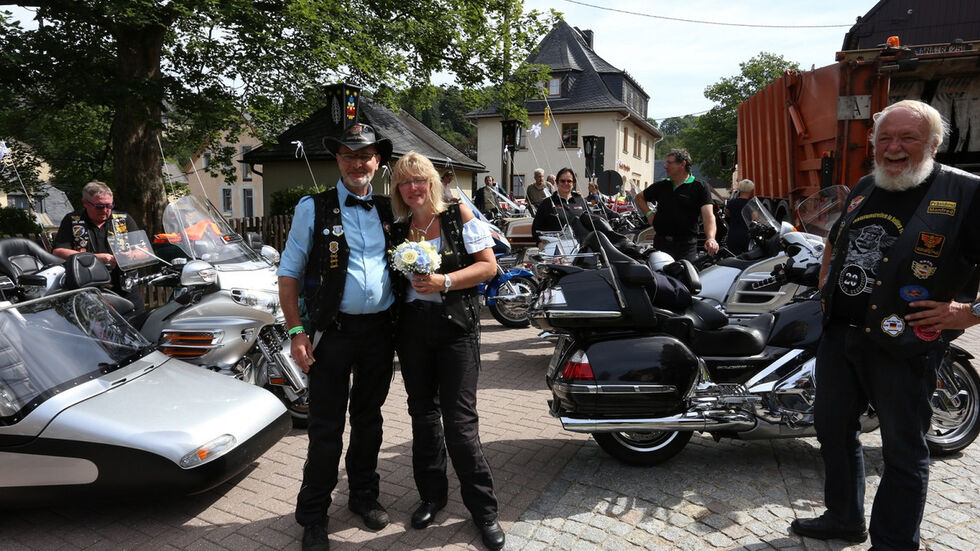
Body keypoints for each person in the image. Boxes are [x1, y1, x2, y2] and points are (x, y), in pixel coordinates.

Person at [790, 100, 980, 551]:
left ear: (933, 144)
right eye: (885, 138)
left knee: (903, 449)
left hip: (907, 342)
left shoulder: (967, 194)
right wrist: (826, 280)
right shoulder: (865, 185)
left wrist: (968, 312)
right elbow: (838, 240)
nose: (893, 148)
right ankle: (843, 519)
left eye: (908, 139)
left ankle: (894, 543)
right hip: (842, 335)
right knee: (833, 430)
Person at [278, 123, 397, 551]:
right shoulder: (314, 207)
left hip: (380, 332)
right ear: (338, 160)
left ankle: (363, 495)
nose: (356, 163)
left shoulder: (389, 208)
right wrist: (296, 331)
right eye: (348, 154)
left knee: (369, 422)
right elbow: (288, 272)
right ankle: (313, 515)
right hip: (332, 334)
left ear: (377, 162)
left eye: (364, 155)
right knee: (326, 428)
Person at [389, 152, 505, 551]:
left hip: (457, 331)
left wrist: (445, 280)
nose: (413, 188)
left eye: (419, 179)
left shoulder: (458, 215)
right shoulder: (398, 228)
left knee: (459, 424)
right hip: (413, 333)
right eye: (405, 182)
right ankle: (432, 497)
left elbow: (489, 267)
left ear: (432, 182)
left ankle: (484, 512)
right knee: (423, 418)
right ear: (398, 190)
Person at [52, 180, 145, 314]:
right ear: (85, 203)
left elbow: (144, 251)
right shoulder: (73, 220)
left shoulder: (123, 219)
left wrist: (130, 256)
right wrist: (95, 259)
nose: (106, 210)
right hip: (87, 289)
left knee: (137, 325)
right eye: (100, 206)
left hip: (125, 286)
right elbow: (58, 252)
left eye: (109, 205)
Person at [635, 149, 719, 261]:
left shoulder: (700, 186)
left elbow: (708, 216)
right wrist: (649, 214)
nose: (665, 166)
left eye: (669, 163)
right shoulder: (662, 185)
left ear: (682, 164)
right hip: (661, 243)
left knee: (683, 276)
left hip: (686, 246)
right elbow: (639, 197)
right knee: (659, 277)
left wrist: (711, 239)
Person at [531, 167, 588, 246]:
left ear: (573, 183)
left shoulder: (581, 201)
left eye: (569, 181)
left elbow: (591, 225)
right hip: (555, 253)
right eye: (562, 181)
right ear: (557, 182)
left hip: (581, 252)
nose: (566, 183)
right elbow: (536, 230)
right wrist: (542, 247)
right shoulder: (547, 203)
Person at [724, 179, 755, 255]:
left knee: (734, 256)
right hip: (747, 235)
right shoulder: (751, 203)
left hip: (733, 234)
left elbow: (727, 214)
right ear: (751, 189)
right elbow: (755, 218)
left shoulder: (732, 202)